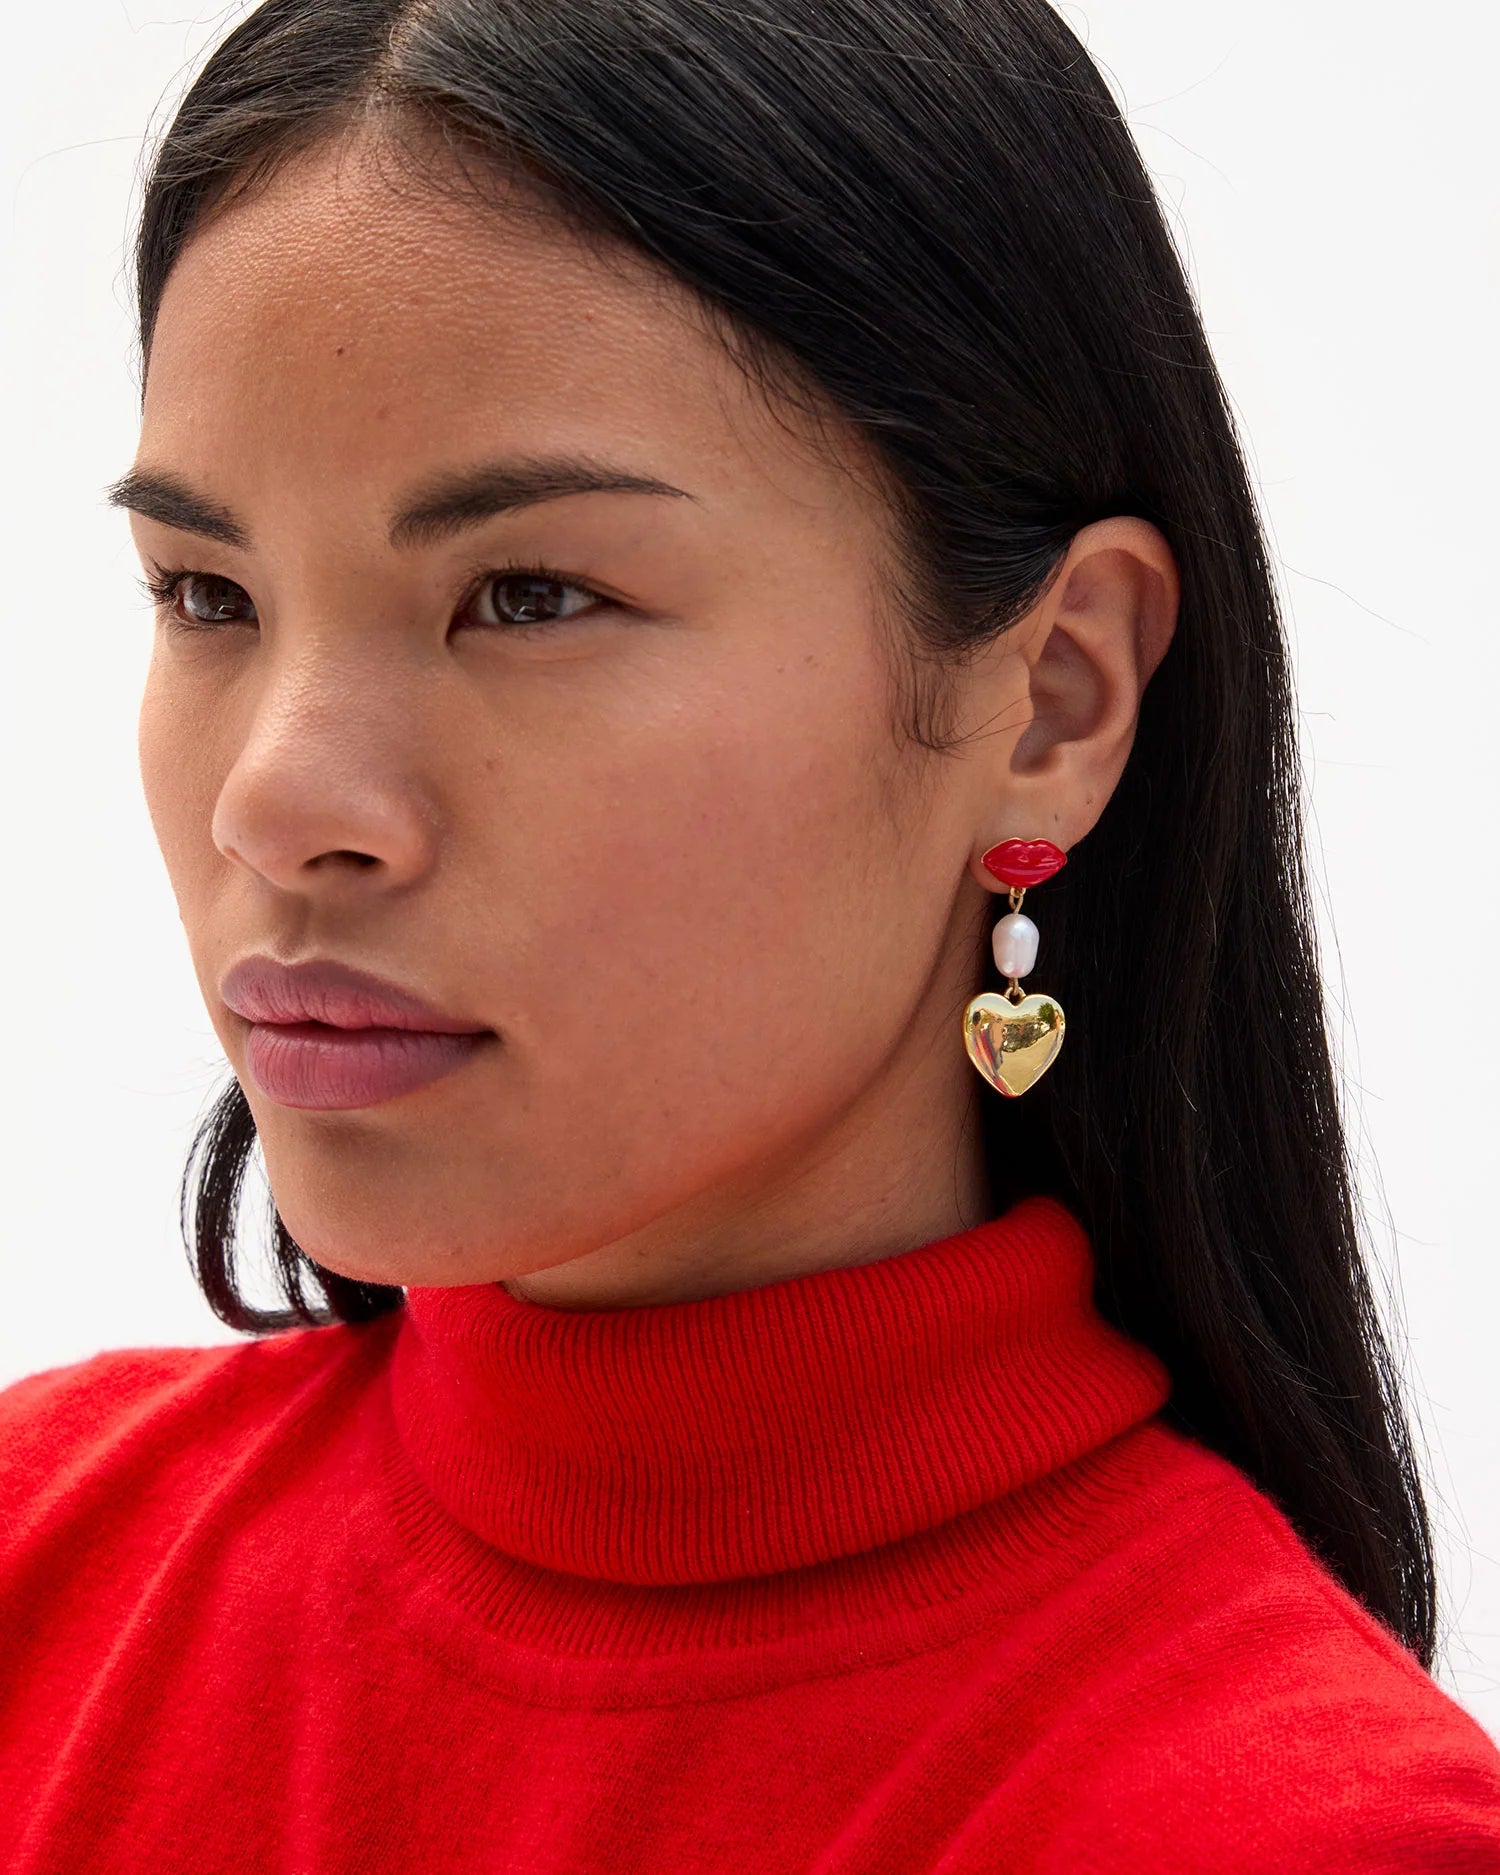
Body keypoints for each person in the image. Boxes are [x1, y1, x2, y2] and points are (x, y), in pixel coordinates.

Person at [2, 0, 1498, 1866]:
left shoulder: (1278, 1829)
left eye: (529, 595)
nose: (279, 803)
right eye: (206, 593)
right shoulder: (33, 1575)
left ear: (1052, 698)